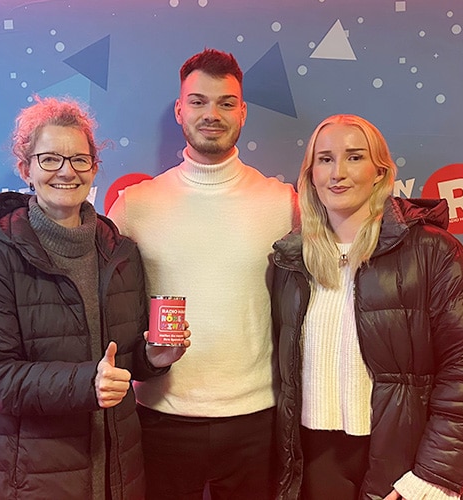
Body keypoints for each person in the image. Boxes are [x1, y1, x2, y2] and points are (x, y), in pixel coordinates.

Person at [0, 96, 189, 500]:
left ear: (94, 168)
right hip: (28, 479)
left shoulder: (120, 252)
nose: (67, 171)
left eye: (80, 159)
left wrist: (153, 358)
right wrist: (87, 384)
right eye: (50, 159)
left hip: (114, 471)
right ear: (26, 169)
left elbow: (121, 362)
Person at [269, 114, 463, 500]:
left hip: (402, 463)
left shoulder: (432, 251)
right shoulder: (291, 260)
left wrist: (431, 479)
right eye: (325, 159)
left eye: (354, 157)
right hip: (315, 463)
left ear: (380, 172)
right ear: (310, 175)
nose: (338, 173)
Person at [106, 48, 297, 499]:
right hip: (159, 419)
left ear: (243, 112)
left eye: (226, 103)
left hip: (258, 420)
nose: (212, 114)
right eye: (198, 101)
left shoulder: (284, 203)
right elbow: (83, 278)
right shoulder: (135, 205)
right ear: (180, 110)